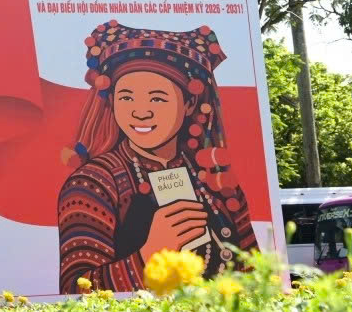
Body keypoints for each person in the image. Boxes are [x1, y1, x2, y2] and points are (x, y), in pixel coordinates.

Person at [58, 23, 258, 293]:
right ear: (112, 102)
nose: (140, 112)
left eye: (158, 99)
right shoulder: (93, 182)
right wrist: (151, 253)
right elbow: (73, 291)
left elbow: (255, 277)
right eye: (126, 97)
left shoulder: (215, 182)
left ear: (188, 104)